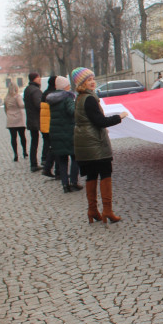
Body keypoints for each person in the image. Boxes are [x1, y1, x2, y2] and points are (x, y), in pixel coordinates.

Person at [72, 67, 128, 223]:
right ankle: (107, 211)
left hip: (85, 143)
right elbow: (100, 121)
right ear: (81, 83)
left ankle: (92, 210)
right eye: (88, 80)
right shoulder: (89, 99)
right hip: (95, 143)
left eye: (93, 79)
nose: (92, 82)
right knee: (105, 173)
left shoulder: (79, 98)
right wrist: (119, 117)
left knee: (91, 175)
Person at [46, 76, 82, 193]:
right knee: (75, 157)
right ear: (64, 86)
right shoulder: (67, 97)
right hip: (68, 131)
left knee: (62, 160)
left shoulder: (52, 99)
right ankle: (74, 182)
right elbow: (72, 112)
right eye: (68, 84)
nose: (69, 86)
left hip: (55, 132)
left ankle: (65, 184)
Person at [23, 72, 43, 171]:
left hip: (31, 119)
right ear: (34, 79)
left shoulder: (27, 89)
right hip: (37, 119)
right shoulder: (35, 90)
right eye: (38, 77)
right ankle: (39, 162)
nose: (40, 79)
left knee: (34, 141)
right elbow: (39, 104)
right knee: (43, 140)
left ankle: (33, 163)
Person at [39, 75, 58, 179]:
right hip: (51, 124)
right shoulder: (52, 94)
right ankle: (49, 168)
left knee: (52, 146)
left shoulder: (45, 93)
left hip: (45, 123)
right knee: (54, 147)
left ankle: (47, 166)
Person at [3, 80, 27, 162]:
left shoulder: (6, 98)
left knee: (13, 138)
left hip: (11, 119)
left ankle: (15, 154)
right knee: (22, 136)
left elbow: (5, 109)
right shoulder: (17, 96)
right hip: (19, 119)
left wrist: (9, 115)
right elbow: (21, 105)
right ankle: (24, 151)